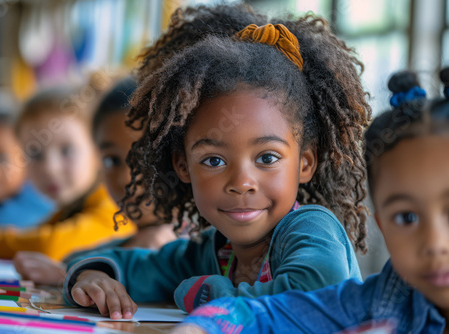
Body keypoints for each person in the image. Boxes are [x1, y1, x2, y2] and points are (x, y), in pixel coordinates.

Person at [63, 4, 371, 321]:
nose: (241, 182)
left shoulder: (311, 229)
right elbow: (132, 265)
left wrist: (210, 295)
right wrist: (91, 276)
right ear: (183, 166)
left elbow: (310, 299)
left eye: (266, 157)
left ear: (305, 163)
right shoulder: (213, 250)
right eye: (213, 160)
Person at [174, 69, 449, 334]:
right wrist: (204, 325)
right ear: (383, 224)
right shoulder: (379, 302)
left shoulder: (310, 227)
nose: (435, 244)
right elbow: (276, 313)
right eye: (407, 218)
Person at [13, 77, 178, 286]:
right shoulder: (135, 241)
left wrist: (68, 276)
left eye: (145, 158)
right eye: (112, 160)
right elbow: (73, 259)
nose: (126, 176)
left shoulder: (198, 248)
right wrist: (70, 271)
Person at [0, 85, 137, 261]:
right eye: (35, 154)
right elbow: (29, 235)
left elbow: (48, 246)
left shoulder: (113, 206)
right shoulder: (72, 208)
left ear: (97, 150)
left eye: (66, 151)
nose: (50, 168)